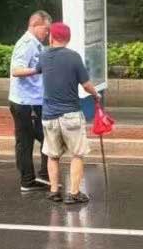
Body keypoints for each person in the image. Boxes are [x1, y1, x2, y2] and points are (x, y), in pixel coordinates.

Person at [27, 22, 101, 204]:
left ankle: (54, 191)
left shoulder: (44, 56)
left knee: (53, 155)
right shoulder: (74, 57)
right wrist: (96, 94)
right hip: (71, 115)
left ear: (52, 37)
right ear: (68, 39)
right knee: (77, 154)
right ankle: (74, 193)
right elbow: (86, 84)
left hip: (49, 116)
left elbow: (36, 70)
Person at [9, 10, 52, 192]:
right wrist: (37, 70)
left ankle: (42, 176)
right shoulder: (26, 44)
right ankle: (29, 180)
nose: (47, 33)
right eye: (45, 29)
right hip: (26, 102)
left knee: (45, 138)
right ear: (34, 25)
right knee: (29, 141)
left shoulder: (36, 44)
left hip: (34, 101)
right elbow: (16, 70)